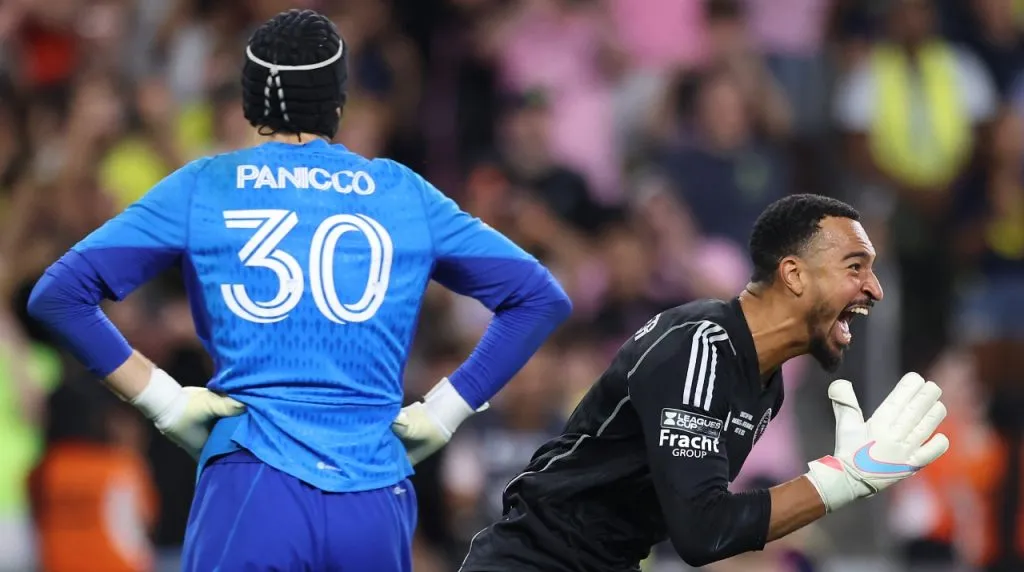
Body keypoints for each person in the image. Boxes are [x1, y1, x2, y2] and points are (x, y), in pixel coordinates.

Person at [26, 9, 571, 572]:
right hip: (375, 493)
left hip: (254, 476)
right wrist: (443, 412)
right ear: (339, 102)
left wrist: (165, 401)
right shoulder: (403, 193)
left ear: (250, 101)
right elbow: (538, 297)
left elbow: (61, 294)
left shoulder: (207, 185)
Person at [459, 194, 950, 571]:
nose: (875, 289)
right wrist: (841, 480)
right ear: (794, 275)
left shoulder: (763, 383)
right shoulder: (700, 346)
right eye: (855, 267)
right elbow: (702, 531)